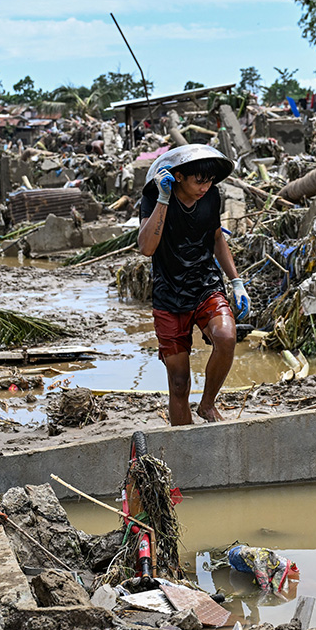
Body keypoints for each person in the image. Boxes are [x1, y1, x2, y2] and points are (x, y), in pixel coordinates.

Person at [138, 145, 249, 425]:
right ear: (178, 176)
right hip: (169, 295)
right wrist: (164, 199)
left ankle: (208, 405)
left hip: (205, 284)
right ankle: (184, 444)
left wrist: (236, 282)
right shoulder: (153, 197)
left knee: (225, 337)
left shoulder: (211, 196)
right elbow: (147, 248)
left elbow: (216, 238)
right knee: (178, 382)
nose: (205, 186)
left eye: (209, 180)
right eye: (199, 180)